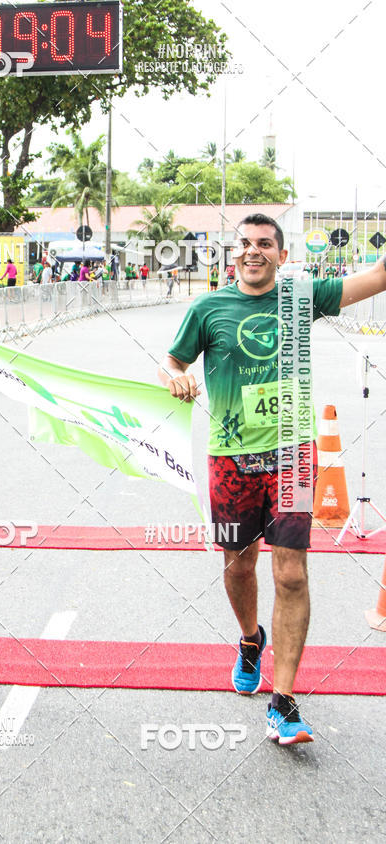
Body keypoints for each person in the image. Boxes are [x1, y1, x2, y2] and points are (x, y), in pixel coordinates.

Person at [158, 212, 386, 746]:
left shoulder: (301, 296)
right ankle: (249, 640)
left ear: (282, 256)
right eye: (244, 243)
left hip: (292, 455)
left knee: (291, 575)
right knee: (239, 567)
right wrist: (177, 376)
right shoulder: (207, 307)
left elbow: (378, 276)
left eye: (265, 243)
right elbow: (168, 361)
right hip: (231, 459)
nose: (253, 250)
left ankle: (283, 703)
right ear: (232, 253)